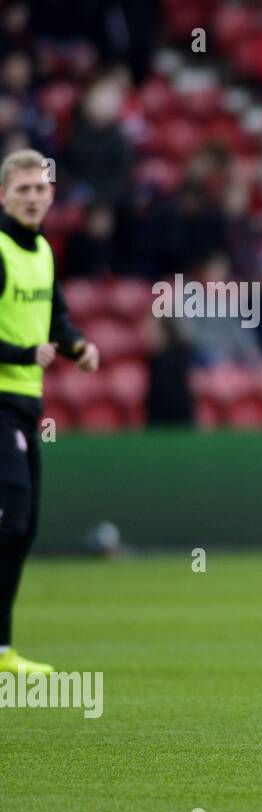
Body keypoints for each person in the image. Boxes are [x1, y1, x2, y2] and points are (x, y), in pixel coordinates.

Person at [0, 148, 99, 675]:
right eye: (23, 190)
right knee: (10, 519)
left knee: (25, 527)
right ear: (4, 195)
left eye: (40, 189)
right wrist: (20, 354)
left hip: (24, 403)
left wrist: (77, 344)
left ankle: (2, 651)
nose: (33, 198)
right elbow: (24, 339)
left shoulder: (41, 253)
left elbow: (55, 316)